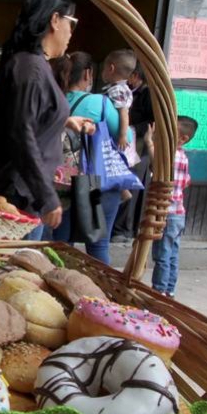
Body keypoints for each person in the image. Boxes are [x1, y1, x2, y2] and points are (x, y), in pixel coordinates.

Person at [0, 0, 81, 239]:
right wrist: (46, 196)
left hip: (26, 193)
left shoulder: (34, 64)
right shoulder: (30, 67)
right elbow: (20, 133)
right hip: (22, 195)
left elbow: (26, 120)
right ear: (55, 20)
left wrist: (63, 120)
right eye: (72, 23)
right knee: (13, 272)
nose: (71, 33)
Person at [49, 51, 124, 264]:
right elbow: (123, 137)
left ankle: (59, 286)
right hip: (92, 181)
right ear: (88, 74)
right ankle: (104, 294)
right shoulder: (100, 103)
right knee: (98, 245)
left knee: (61, 245)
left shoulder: (54, 99)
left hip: (60, 181)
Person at [151, 115, 197, 297]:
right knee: (172, 254)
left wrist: (149, 143)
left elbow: (158, 167)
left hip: (168, 213)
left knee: (162, 255)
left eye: (171, 132)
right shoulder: (184, 157)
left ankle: (159, 291)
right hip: (178, 212)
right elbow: (186, 181)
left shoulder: (173, 156)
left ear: (183, 138)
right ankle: (169, 290)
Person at [112, 62, 155, 242]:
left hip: (137, 145)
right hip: (128, 143)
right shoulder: (131, 92)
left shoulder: (147, 95)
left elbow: (151, 123)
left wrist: (129, 128)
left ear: (136, 76)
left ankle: (122, 229)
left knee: (130, 184)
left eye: (130, 76)